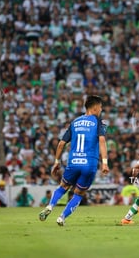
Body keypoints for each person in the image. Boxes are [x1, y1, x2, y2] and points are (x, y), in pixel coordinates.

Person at [39, 95, 109, 226]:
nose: (101, 110)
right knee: (79, 193)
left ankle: (50, 206)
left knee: (63, 186)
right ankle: (62, 217)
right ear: (95, 107)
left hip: (74, 161)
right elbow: (102, 140)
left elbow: (61, 144)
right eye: (100, 107)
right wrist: (104, 162)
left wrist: (56, 162)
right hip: (89, 163)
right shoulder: (100, 122)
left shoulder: (75, 122)